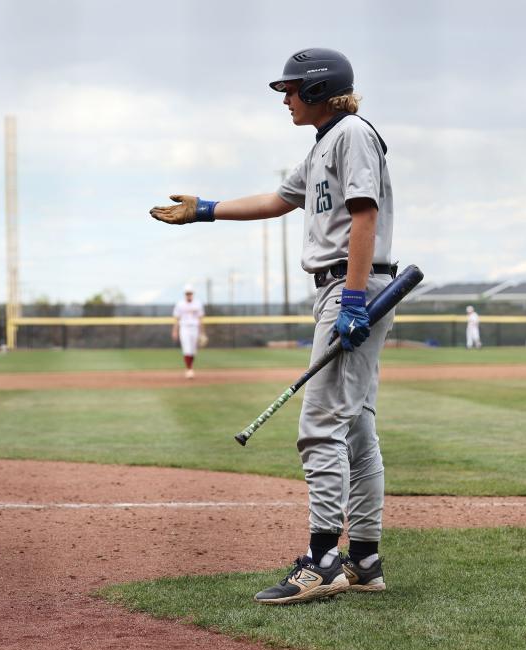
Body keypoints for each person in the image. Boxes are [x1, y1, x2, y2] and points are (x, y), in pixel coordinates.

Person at [151, 48, 394, 604]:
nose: (284, 99)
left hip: (350, 286)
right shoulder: (326, 143)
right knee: (355, 428)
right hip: (345, 286)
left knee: (319, 426)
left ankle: (323, 561)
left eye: (290, 90)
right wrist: (206, 209)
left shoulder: (352, 133)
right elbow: (279, 199)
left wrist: (353, 297)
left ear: (316, 89)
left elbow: (365, 214)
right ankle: (364, 559)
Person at [172, 284, 205, 379]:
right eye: (187, 293)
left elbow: (200, 319)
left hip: (195, 328)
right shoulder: (180, 304)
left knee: (193, 350)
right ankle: (189, 369)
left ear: (193, 293)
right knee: (187, 349)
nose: (188, 295)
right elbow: (177, 319)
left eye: (190, 293)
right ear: (184, 294)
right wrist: (175, 330)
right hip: (184, 328)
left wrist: (202, 332)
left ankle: (190, 368)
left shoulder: (198, 303)